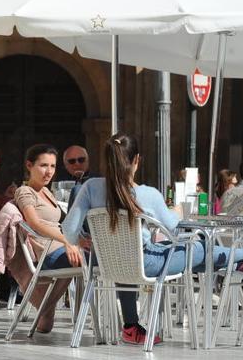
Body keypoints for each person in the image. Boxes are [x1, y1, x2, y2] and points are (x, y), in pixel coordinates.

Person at [64, 133, 243, 345]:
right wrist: (176, 211)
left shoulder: (90, 187)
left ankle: (131, 327)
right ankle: (239, 259)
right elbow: (174, 228)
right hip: (146, 263)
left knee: (136, 252)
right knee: (200, 248)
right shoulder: (148, 194)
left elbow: (69, 230)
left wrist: (85, 238)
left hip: (107, 263)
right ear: (137, 160)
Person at [13, 144, 82, 333]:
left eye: (52, 166)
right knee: (89, 261)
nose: (49, 171)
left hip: (59, 246)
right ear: (29, 165)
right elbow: (34, 223)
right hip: (47, 251)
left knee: (91, 255)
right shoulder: (25, 192)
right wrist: (68, 242)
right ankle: (91, 320)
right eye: (43, 165)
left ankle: (46, 311)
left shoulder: (47, 192)